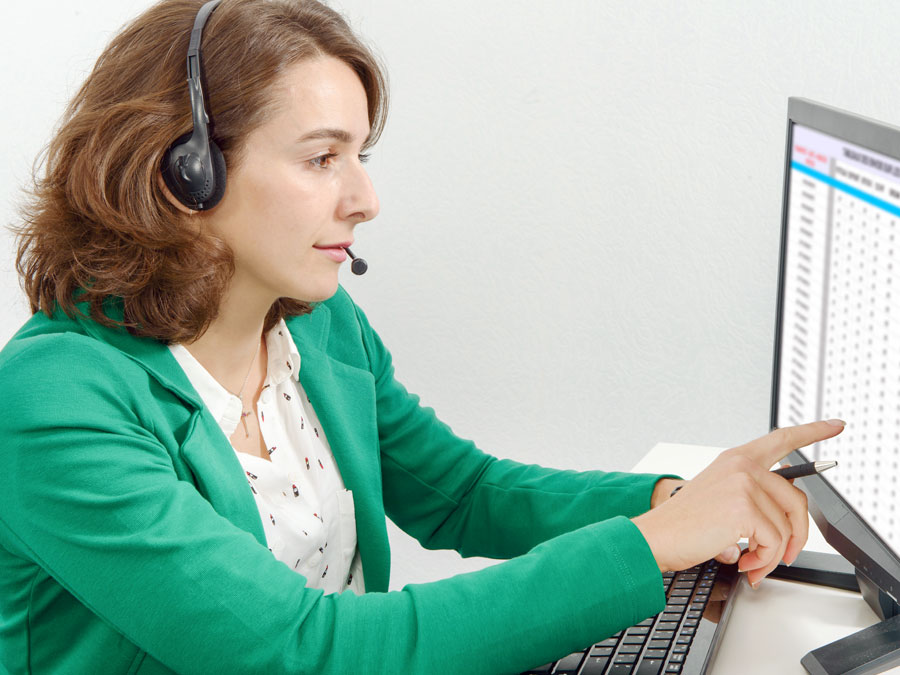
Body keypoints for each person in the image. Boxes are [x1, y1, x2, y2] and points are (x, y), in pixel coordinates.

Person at [0, 0, 846, 673]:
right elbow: (299, 649)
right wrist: (651, 546)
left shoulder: (315, 324)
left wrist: (670, 501)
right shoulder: (54, 402)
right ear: (185, 170)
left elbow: (462, 493)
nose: (365, 199)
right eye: (322, 158)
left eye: (360, 155)